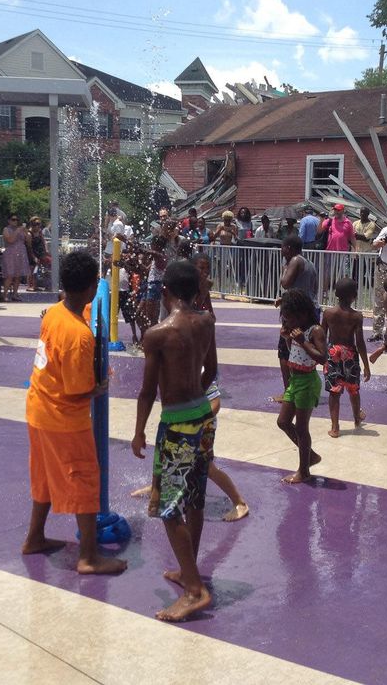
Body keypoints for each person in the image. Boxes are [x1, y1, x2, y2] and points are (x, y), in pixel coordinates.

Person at [22, 250, 126, 577]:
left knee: (43, 477)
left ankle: (35, 537)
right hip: (64, 418)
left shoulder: (54, 313)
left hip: (38, 408)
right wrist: (100, 386)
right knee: (84, 479)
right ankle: (89, 557)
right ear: (92, 288)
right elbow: (78, 388)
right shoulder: (79, 336)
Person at [132, 259, 217, 621]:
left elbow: (148, 391)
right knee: (195, 499)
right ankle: (188, 571)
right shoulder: (207, 321)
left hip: (178, 424)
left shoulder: (158, 334)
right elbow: (211, 369)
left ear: (164, 290)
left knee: (168, 507)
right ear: (196, 291)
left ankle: (195, 591)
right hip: (204, 417)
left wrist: (138, 431)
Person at [191, 252, 249, 522]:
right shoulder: (190, 301)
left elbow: (214, 400)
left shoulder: (198, 367)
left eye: (206, 268)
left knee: (205, 464)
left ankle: (239, 501)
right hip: (187, 413)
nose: (204, 273)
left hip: (199, 415)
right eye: (199, 269)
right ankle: (157, 489)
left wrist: (201, 417)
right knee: (167, 454)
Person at [276, 289, 326, 483]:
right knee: (283, 422)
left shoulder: (315, 331)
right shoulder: (295, 331)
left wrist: (303, 341)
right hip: (295, 381)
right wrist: (289, 340)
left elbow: (322, 358)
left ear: (303, 314)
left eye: (289, 319)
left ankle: (304, 471)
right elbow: (293, 352)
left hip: (308, 381)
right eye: (285, 320)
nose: (287, 323)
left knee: (302, 428)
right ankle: (310, 456)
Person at [321, 278, 370, 438]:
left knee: (334, 392)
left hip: (333, 353)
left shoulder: (328, 313)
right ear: (354, 296)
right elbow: (360, 342)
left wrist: (321, 357)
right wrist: (366, 365)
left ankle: (335, 427)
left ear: (336, 294)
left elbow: (322, 336)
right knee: (353, 390)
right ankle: (356, 419)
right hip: (349, 354)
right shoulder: (356, 316)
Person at [276, 235, 318, 392]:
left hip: (295, 314)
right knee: (302, 349)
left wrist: (284, 269)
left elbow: (286, 283)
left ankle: (289, 390)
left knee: (284, 352)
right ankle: (302, 386)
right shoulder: (310, 263)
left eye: (282, 247)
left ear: (288, 248)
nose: (281, 250)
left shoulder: (294, 261)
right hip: (309, 309)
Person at [1, 213, 30, 302]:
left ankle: (15, 294)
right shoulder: (6, 229)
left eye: (17, 220)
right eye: (13, 220)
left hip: (21, 253)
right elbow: (10, 240)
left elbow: (28, 241)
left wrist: (26, 233)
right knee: (10, 275)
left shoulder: (21, 230)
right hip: (11, 254)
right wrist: (17, 231)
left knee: (18, 275)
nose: (15, 221)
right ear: (9, 221)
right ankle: (4, 295)